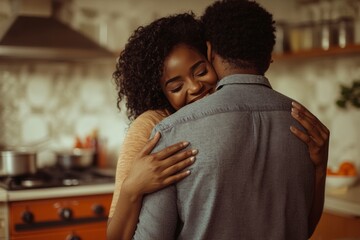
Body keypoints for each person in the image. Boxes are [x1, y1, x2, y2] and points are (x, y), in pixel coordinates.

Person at [108, 9, 329, 240]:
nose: (194, 88)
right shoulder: (157, 129)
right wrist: (132, 187)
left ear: (211, 54)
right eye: (175, 87)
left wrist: (320, 167)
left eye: (201, 71)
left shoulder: (176, 130)